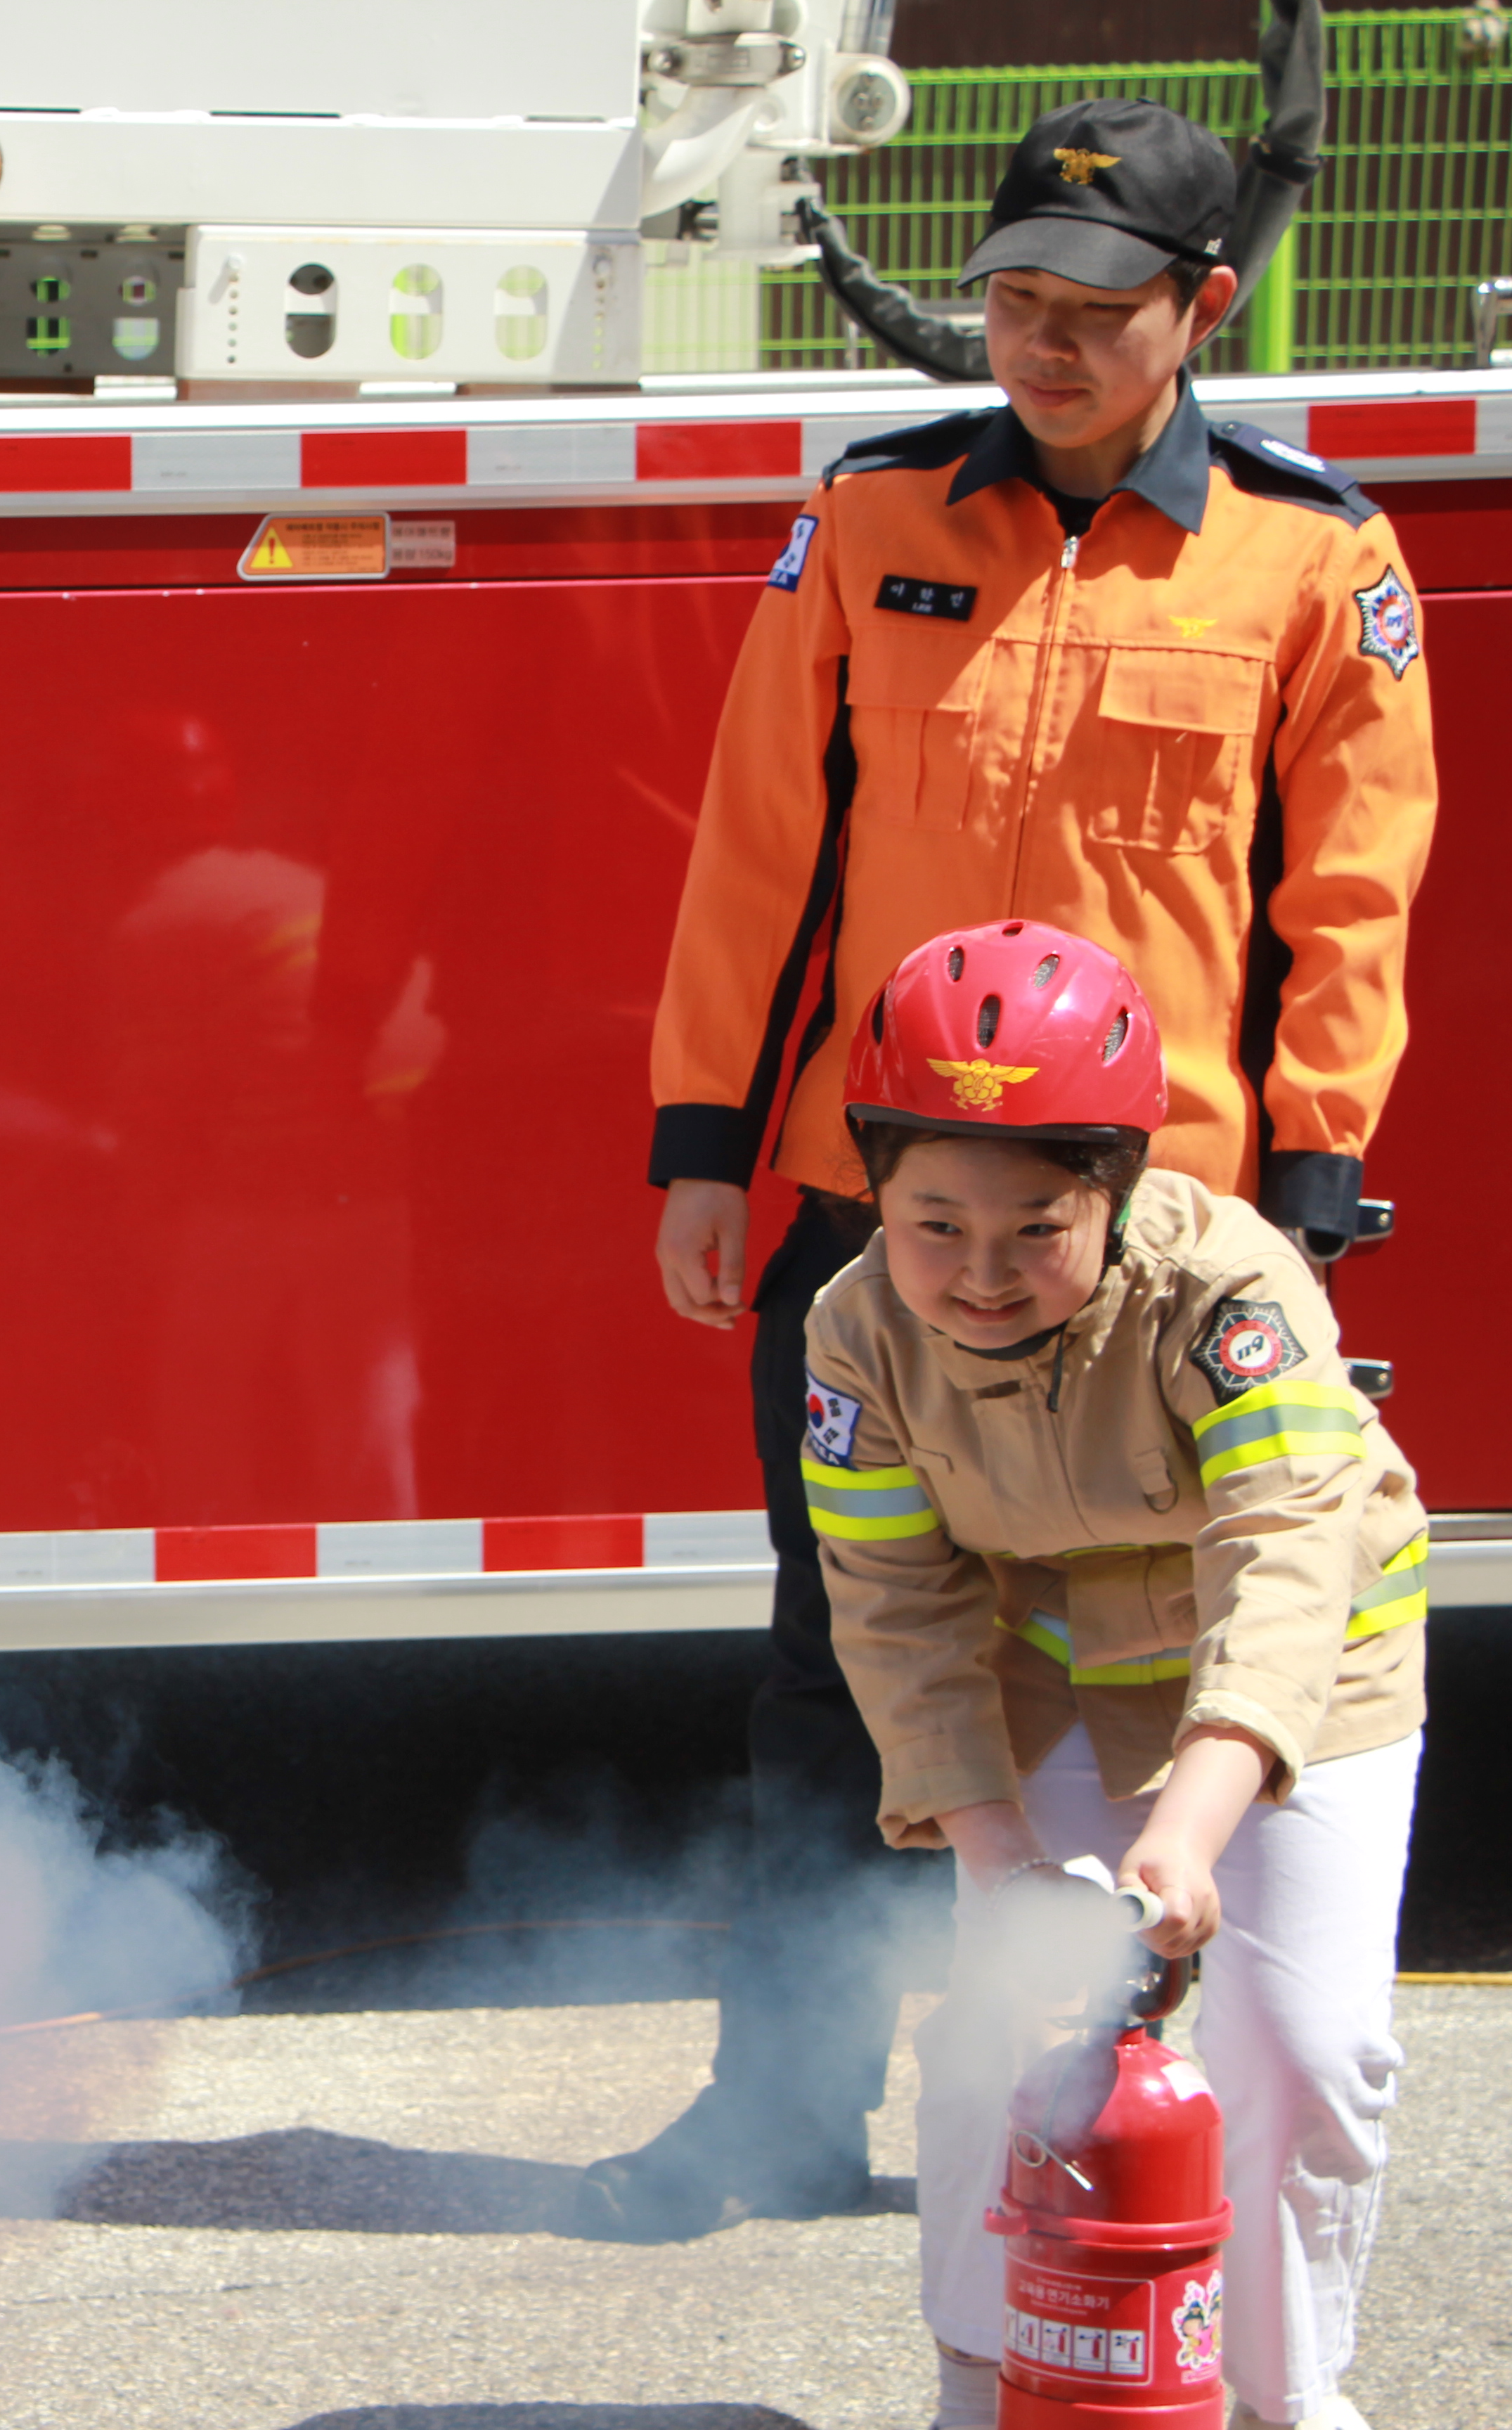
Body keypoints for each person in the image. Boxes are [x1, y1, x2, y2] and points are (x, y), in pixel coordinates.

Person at [600, 93, 1437, 2241]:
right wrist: (710, 1148)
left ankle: (1142, 2112)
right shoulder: (872, 518)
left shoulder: (1312, 560)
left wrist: (1310, 1196)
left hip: (1159, 1243)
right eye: (1013, 302)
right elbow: (763, 856)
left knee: (1154, 1673)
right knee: (840, 1659)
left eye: (1096, 311)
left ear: (1205, 309)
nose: (1044, 345)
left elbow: (1347, 914)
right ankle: (780, 2111)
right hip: (876, 1217)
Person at [803, 921, 1419, 2430]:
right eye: (934, 1222)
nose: (981, 1274)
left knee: (1305, 2052)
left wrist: (1191, 1833)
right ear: (872, 1190)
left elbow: (1282, 1561)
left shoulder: (1233, 1291)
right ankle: (983, 2384)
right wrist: (1002, 1861)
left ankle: (1284, 2397)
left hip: (1300, 1674)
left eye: (1039, 1228)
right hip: (1062, 1679)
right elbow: (897, 1611)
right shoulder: (853, 1332)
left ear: (1120, 1190)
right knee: (997, 2041)